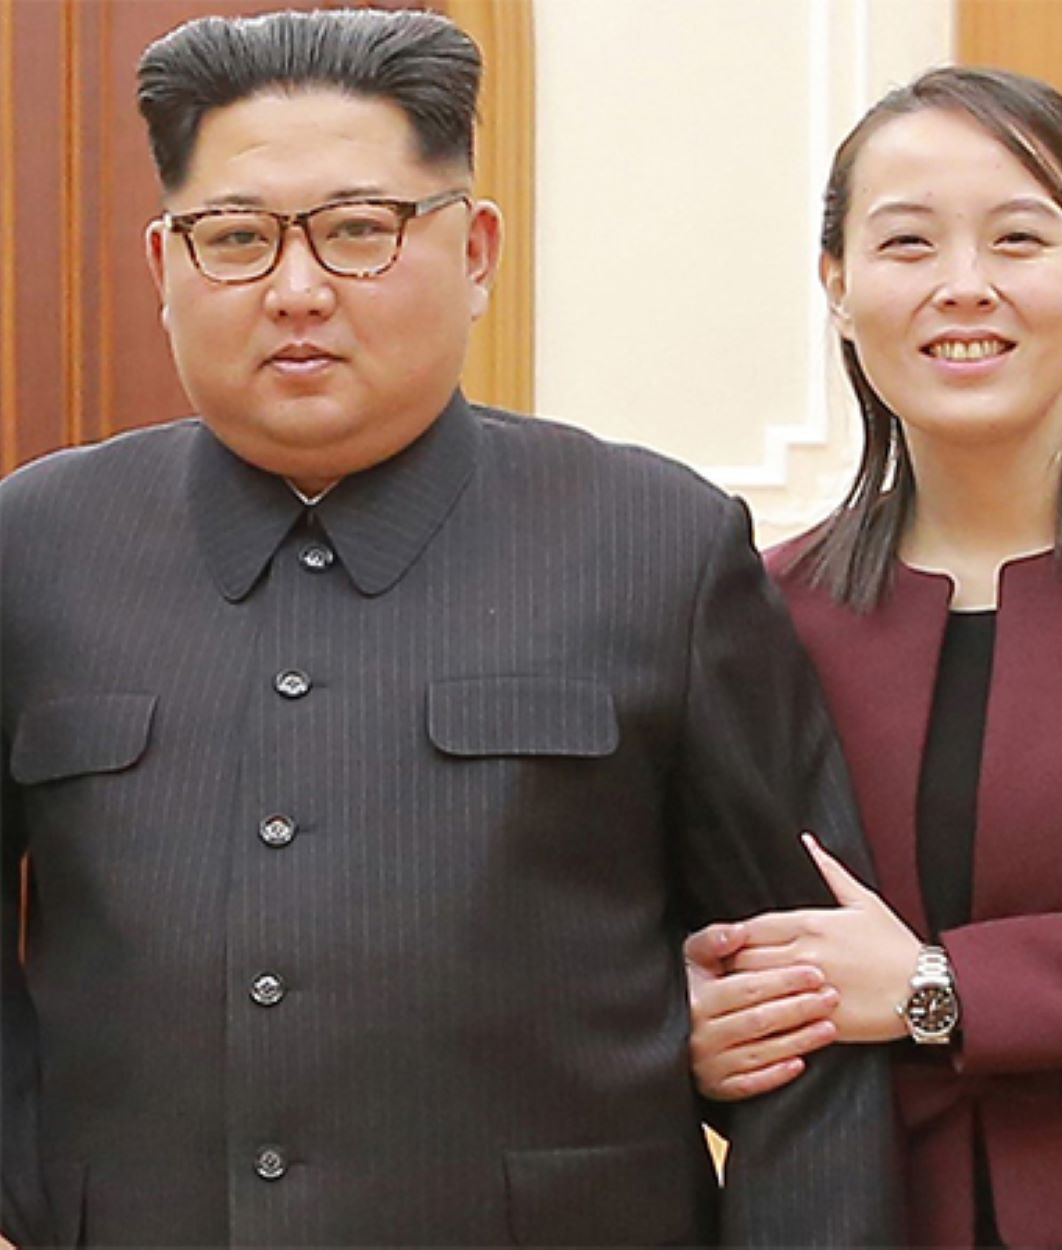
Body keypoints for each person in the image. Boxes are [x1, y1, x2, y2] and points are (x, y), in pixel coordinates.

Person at [0, 9, 899, 1248]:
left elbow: (807, 996)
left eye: (360, 229)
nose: (298, 290)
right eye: (237, 238)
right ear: (165, 266)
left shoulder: (654, 543)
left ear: (474, 251)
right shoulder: (36, 545)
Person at [686, 65, 1062, 1249]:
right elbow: (711, 936)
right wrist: (699, 1022)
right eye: (905, 243)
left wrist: (936, 988)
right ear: (837, 287)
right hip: (862, 1214)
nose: (961, 285)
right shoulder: (756, 607)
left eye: (1016, 238)